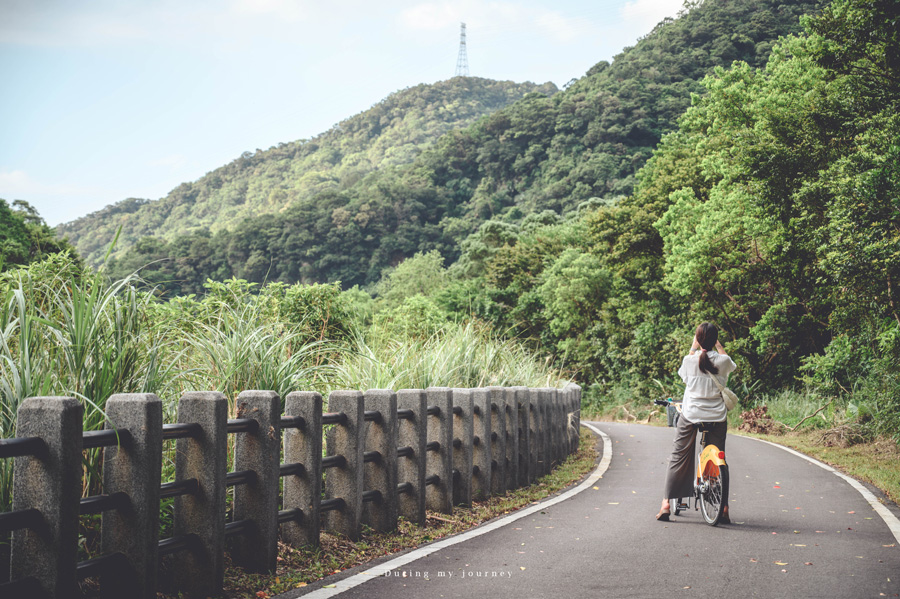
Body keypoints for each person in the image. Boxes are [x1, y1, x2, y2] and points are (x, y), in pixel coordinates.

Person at [656, 322, 736, 522]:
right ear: (715, 339)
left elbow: (686, 373)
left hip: (691, 415)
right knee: (720, 457)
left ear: (699, 340)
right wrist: (717, 346)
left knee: (679, 456)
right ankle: (723, 507)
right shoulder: (723, 361)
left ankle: (666, 504)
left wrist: (694, 347)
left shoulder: (689, 361)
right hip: (716, 416)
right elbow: (729, 362)